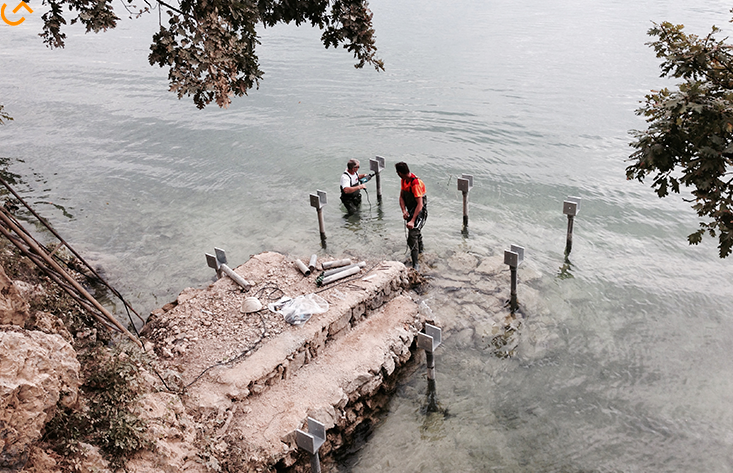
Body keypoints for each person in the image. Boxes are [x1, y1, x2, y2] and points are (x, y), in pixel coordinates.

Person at [396, 161, 427, 270]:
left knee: (412, 235)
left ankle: (416, 263)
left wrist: (413, 220)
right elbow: (401, 197)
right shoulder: (404, 181)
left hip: (420, 212)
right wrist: (404, 211)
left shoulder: (415, 183)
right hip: (410, 209)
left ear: (399, 172)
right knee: (416, 233)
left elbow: (420, 204)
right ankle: (421, 252)